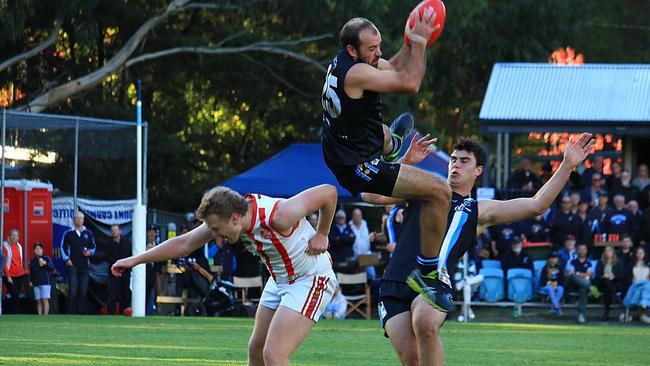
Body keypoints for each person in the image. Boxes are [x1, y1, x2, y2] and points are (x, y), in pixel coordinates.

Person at [363, 133, 594, 365]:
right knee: (412, 360)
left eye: (464, 161)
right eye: (454, 159)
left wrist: (566, 165)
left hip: (433, 283)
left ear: (478, 171)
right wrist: (406, 160)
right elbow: (370, 195)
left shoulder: (478, 211)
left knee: (425, 322)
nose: (456, 165)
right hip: (394, 282)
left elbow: (537, 205)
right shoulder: (423, 191)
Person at [112, 184, 338, 365]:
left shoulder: (279, 216)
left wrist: (323, 233)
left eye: (216, 229)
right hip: (280, 279)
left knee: (274, 355)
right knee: (256, 352)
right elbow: (184, 243)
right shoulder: (230, 218)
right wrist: (135, 260)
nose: (214, 234)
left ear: (234, 219)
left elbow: (329, 192)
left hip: (310, 278)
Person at [321, 13, 455, 310]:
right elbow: (410, 82)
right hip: (357, 164)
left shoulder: (347, 61)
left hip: (341, 142)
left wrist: (408, 41)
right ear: (352, 51)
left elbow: (393, 65)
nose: (378, 53)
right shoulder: (356, 74)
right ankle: (427, 272)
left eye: (379, 45)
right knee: (440, 192)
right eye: (372, 48)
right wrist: (420, 42)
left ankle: (391, 145)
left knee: (378, 130)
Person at [60, 211, 96, 314]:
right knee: (73, 291)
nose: (78, 220)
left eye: (80, 218)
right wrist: (67, 259)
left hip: (85, 266)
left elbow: (93, 247)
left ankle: (80, 312)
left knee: (83, 291)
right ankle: (70, 312)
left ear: (83, 220)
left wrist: (89, 252)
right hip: (73, 266)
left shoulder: (89, 233)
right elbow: (63, 248)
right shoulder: (68, 233)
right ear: (74, 219)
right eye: (76, 218)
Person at [106, 224, 132, 315]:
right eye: (112, 230)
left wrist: (124, 266)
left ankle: (123, 312)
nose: (114, 232)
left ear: (120, 231)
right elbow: (107, 257)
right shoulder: (108, 243)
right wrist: (117, 265)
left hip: (125, 272)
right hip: (113, 272)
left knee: (125, 292)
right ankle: (111, 313)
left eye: (116, 230)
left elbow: (130, 255)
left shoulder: (127, 242)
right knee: (113, 293)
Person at [565, 243, 594, 323]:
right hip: (571, 284)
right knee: (572, 276)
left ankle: (581, 314)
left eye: (583, 250)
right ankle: (590, 287)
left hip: (582, 284)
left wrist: (577, 273)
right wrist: (580, 274)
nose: (581, 251)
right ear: (576, 251)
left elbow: (589, 274)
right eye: (579, 250)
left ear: (586, 251)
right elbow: (570, 273)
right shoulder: (571, 262)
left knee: (583, 290)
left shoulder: (589, 263)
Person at [620, 246, 650, 324]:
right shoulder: (630, 265)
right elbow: (629, 279)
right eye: (638, 252)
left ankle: (643, 308)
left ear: (645, 254)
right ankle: (644, 304)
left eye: (642, 253)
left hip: (646, 288)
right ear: (635, 254)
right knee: (644, 285)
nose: (640, 254)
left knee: (646, 285)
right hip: (634, 287)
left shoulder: (649, 265)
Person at [595, 245, 624, 321]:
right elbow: (597, 276)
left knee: (607, 291)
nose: (608, 252)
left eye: (609, 251)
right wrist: (603, 276)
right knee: (606, 281)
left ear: (613, 252)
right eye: (606, 251)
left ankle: (606, 314)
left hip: (613, 284)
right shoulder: (600, 262)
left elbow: (621, 276)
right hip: (602, 283)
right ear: (604, 253)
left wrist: (613, 277)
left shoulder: (618, 262)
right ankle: (616, 297)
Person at [2, 229, 27, 314]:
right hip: (9, 275)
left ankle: (14, 312)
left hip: (19, 274)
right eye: (13, 235)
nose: (15, 237)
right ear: (9, 236)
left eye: (16, 235)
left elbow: (19, 261)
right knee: (15, 294)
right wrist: (8, 276)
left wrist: (23, 272)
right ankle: (14, 312)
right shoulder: (5, 247)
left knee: (17, 295)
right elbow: (4, 264)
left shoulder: (19, 246)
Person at [349, 207, 376, 280]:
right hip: (354, 257)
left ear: (361, 216)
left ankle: (372, 290)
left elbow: (372, 238)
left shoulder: (366, 225)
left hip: (366, 255)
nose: (357, 217)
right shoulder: (349, 227)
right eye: (356, 215)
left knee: (372, 275)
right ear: (352, 216)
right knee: (355, 278)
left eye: (359, 215)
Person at [28, 243, 55, 315]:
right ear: (34, 251)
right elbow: (31, 272)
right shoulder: (32, 260)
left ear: (42, 250)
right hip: (36, 283)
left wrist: (45, 263)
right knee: (38, 300)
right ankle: (39, 315)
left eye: (39, 249)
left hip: (45, 282)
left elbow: (52, 268)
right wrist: (30, 281)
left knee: (45, 299)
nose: (38, 250)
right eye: (36, 249)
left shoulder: (46, 258)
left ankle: (45, 315)